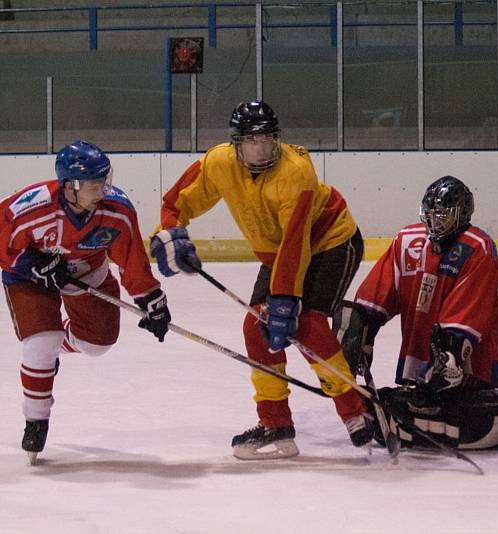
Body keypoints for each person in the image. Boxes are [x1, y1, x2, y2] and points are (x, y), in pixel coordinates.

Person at [150, 100, 370, 460]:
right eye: (253, 141)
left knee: (306, 322)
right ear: (237, 144)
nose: (261, 147)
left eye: (268, 139)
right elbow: (176, 202)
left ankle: (353, 410)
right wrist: (173, 234)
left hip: (331, 241)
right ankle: (275, 423)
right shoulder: (218, 163)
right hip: (278, 251)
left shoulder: (295, 172)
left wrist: (285, 299)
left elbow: (296, 240)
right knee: (257, 326)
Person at [336, 175, 498, 452]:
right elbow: (374, 298)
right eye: (430, 215)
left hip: (473, 353)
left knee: (448, 403)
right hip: (420, 350)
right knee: (410, 405)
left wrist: (450, 356)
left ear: (462, 214)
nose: (435, 222)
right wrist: (359, 335)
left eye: (443, 215)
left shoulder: (477, 247)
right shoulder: (407, 241)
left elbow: (468, 311)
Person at [0, 140, 172, 463]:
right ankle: (36, 420)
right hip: (30, 277)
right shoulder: (32, 207)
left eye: (104, 180)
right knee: (40, 343)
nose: (103, 189)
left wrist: (152, 299)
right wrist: (31, 262)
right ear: (70, 187)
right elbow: (3, 241)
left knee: (98, 343)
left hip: (85, 270)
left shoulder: (117, 212)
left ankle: (58, 345)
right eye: (95, 185)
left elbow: (132, 261)